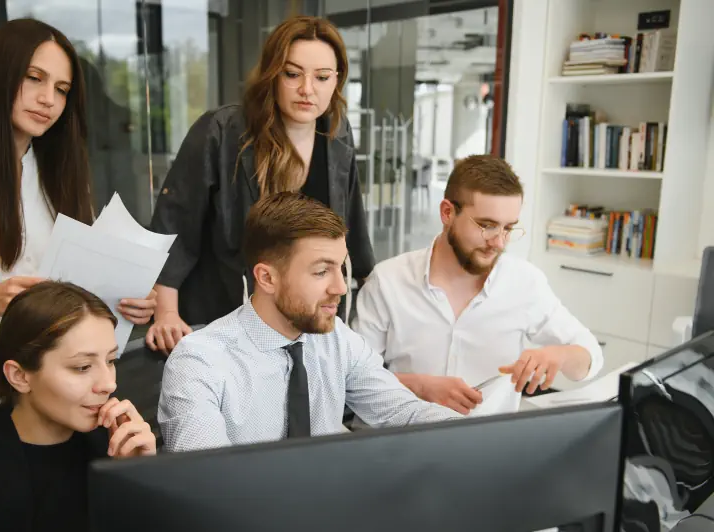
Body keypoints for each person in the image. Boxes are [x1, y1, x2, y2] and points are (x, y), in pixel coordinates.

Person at [0, 18, 156, 439]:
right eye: (34, 79)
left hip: (55, 401)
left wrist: (127, 300)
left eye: (62, 90)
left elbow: (82, 280)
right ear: (0, 76)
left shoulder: (61, 172)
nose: (48, 100)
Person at [158, 192, 460, 452]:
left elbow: (403, 413)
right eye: (321, 272)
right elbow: (207, 483)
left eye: (341, 268)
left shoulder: (337, 339)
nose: (341, 287)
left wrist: (487, 440)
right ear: (266, 278)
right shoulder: (198, 362)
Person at [146, 15, 374, 354]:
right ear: (272, 74)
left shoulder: (336, 134)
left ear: (337, 81)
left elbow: (350, 216)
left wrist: (371, 287)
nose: (307, 90)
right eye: (292, 74)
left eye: (322, 77)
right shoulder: (223, 130)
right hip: (230, 312)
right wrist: (166, 312)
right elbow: (177, 221)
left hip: (306, 318)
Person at [352, 155, 603, 417]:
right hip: (403, 446)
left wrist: (560, 356)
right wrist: (419, 387)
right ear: (447, 213)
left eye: (508, 228)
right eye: (487, 226)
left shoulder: (525, 283)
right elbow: (353, 379)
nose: (499, 242)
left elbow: (591, 357)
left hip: (489, 449)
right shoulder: (388, 281)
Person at [0, 281, 156, 532]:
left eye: (111, 360)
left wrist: (137, 479)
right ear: (19, 376)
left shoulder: (115, 452)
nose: (109, 384)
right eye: (82, 367)